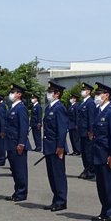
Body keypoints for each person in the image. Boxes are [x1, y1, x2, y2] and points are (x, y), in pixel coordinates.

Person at [89, 82, 111, 221]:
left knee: (109, 185)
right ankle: (104, 210)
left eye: (98, 94)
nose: (96, 96)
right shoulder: (98, 111)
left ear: (106, 95)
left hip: (107, 154)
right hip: (97, 153)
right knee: (101, 185)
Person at [41, 81, 69, 211]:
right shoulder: (49, 108)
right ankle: (56, 199)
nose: (49, 94)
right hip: (49, 145)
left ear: (57, 94)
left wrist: (60, 146)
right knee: (51, 175)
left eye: (51, 92)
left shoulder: (59, 108)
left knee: (58, 174)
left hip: (56, 147)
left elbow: (62, 129)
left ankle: (61, 201)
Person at [4, 84, 29, 202]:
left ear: (19, 94)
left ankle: (21, 192)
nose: (11, 94)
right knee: (14, 169)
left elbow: (23, 127)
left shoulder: (21, 108)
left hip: (17, 143)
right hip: (10, 142)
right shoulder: (12, 107)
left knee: (20, 170)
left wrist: (21, 143)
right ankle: (17, 191)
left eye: (13, 92)